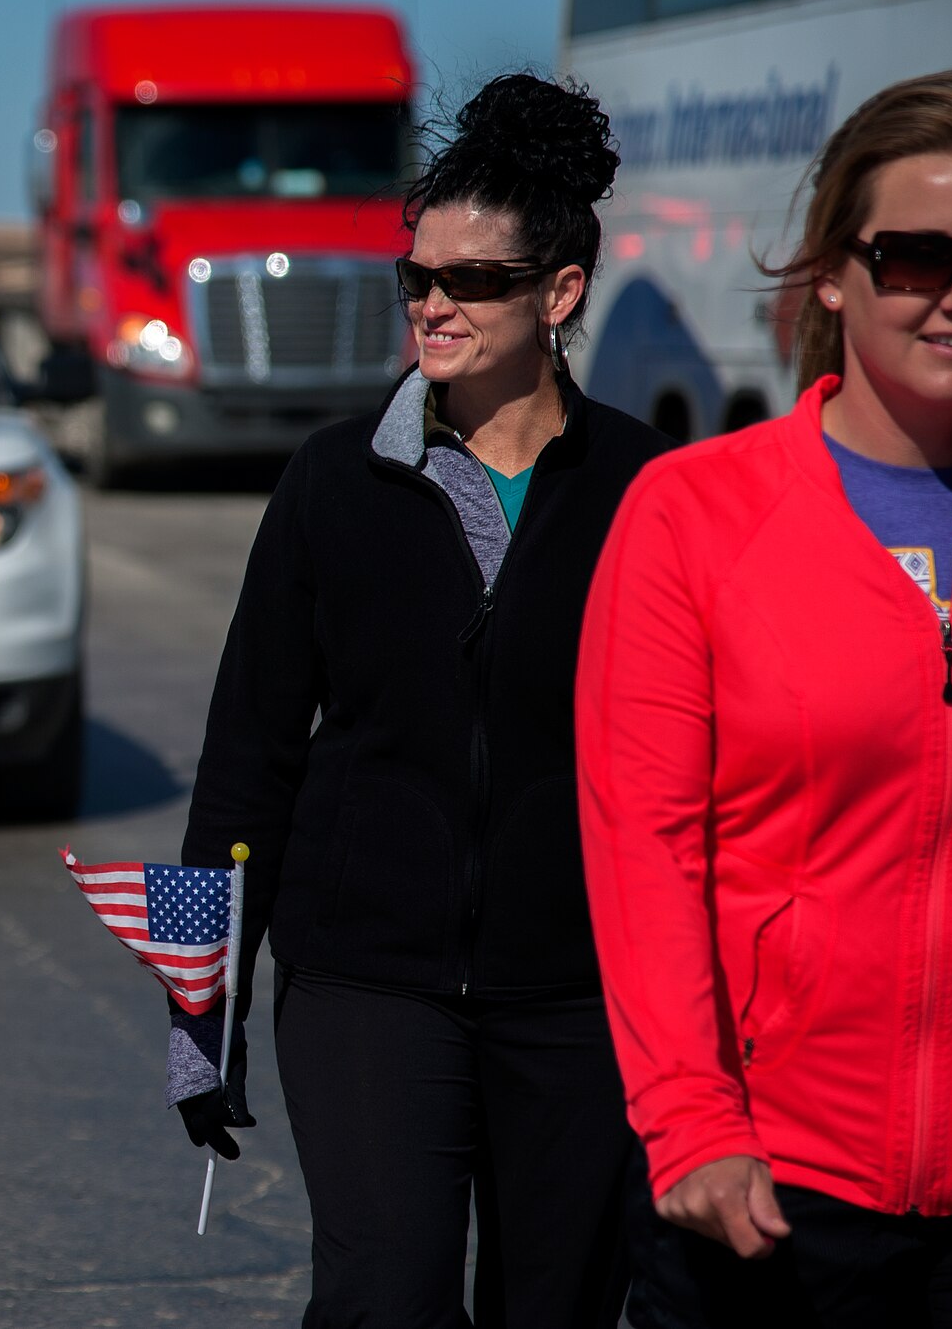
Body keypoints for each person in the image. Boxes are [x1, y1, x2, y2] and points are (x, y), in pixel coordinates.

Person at [168, 73, 672, 1325]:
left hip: (579, 996)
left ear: (556, 295)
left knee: (553, 1306)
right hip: (362, 982)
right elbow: (245, 757)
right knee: (382, 1294)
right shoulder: (332, 482)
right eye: (416, 278)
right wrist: (197, 1008)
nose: (432, 303)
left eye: (471, 281)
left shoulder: (652, 492)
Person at [577, 70, 952, 1326]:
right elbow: (642, 843)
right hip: (767, 1194)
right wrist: (687, 1120)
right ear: (834, 276)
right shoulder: (692, 514)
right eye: (914, 257)